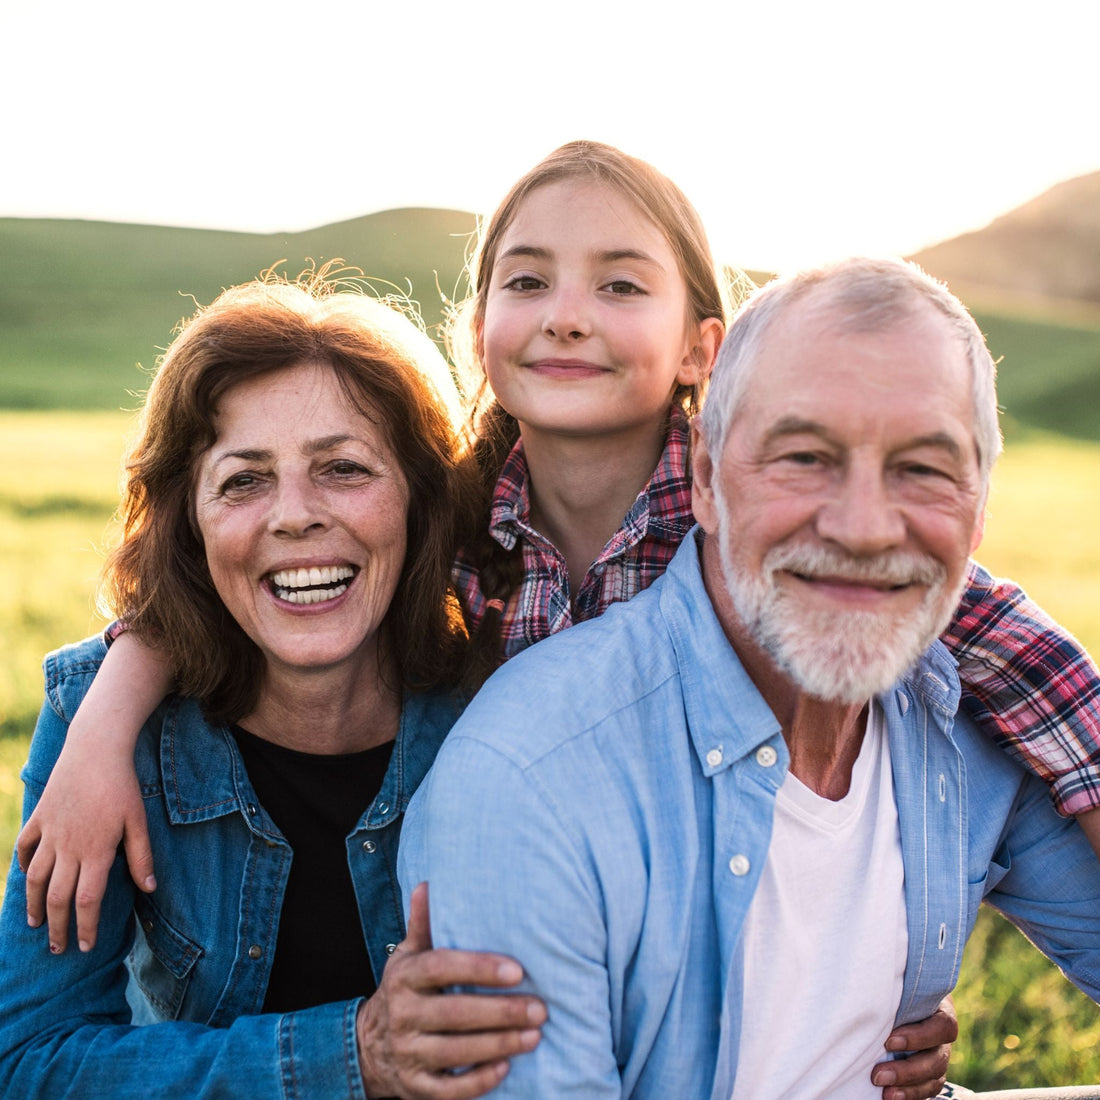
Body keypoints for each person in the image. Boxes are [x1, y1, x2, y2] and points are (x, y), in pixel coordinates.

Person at [13, 141, 1100, 1092]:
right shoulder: (463, 532)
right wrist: (112, 708)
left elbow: (968, 624)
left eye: (620, 283)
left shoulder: (758, 527)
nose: (568, 313)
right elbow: (28, 1061)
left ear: (700, 350)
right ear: (480, 325)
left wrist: (851, 999)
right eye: (527, 280)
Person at [398, 256, 1100, 1099]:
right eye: (804, 456)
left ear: (982, 507)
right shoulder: (529, 779)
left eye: (924, 468)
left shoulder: (961, 731)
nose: (867, 528)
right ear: (703, 478)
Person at [0, 274, 547, 1099]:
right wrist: (349, 1056)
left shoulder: (508, 703)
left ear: (421, 501)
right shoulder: (107, 722)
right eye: (244, 480)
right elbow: (27, 1060)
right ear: (192, 523)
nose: (294, 516)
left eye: (344, 468)